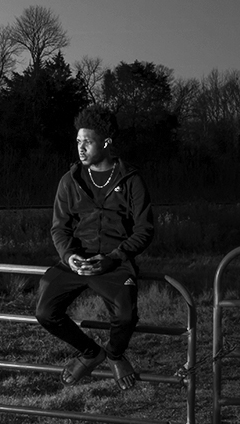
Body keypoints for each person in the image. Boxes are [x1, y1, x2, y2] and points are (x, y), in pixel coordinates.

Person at [35, 106, 154, 390]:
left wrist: (114, 258)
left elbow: (144, 230)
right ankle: (91, 352)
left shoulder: (131, 180)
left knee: (125, 315)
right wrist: (69, 256)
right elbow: (59, 228)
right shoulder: (70, 181)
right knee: (45, 311)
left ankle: (114, 354)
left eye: (87, 141)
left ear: (106, 143)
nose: (81, 147)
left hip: (114, 262)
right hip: (77, 260)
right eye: (78, 141)